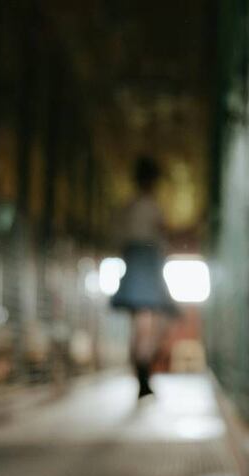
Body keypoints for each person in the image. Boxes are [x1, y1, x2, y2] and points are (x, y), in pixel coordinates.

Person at [111, 157, 175, 398]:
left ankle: (142, 375)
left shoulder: (129, 208)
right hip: (146, 264)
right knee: (147, 326)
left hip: (137, 263)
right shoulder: (149, 206)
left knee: (141, 326)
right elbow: (162, 234)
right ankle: (143, 376)